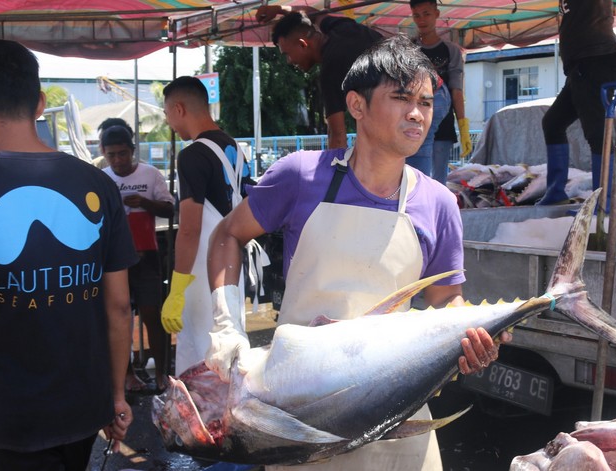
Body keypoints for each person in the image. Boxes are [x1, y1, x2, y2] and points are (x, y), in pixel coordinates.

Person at [204, 35, 507, 471]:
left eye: (425, 101)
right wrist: (225, 323)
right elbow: (227, 235)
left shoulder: (439, 202)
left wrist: (475, 340)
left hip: (398, 412)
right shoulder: (300, 176)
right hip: (298, 412)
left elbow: (447, 301)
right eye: (402, 98)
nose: (418, 114)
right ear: (357, 105)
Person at [0, 39, 137, 471]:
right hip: (84, 405)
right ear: (40, 103)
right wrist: (116, 396)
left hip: (8, 418)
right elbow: (118, 308)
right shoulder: (98, 187)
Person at [159, 76, 247, 374]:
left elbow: (189, 228)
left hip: (201, 266)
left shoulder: (192, 155)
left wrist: (177, 287)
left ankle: (199, 418)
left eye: (166, 113)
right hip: (233, 261)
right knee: (229, 342)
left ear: (179, 109)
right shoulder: (234, 147)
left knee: (199, 350)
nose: (169, 121)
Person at [101, 125, 174, 392]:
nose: (118, 160)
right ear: (103, 153)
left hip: (147, 256)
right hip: (113, 262)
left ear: (133, 151)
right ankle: (128, 374)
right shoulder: (101, 178)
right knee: (120, 318)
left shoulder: (151, 174)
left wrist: (145, 202)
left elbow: (170, 209)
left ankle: (162, 373)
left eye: (123, 154)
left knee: (152, 315)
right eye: (112, 155)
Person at [258, 5, 383, 149]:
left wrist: (332, 170)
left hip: (394, 137)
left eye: (287, 54)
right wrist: (279, 9)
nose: (289, 61)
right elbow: (313, 13)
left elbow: (337, 137)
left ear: (303, 44)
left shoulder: (330, 70)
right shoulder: (340, 27)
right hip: (411, 106)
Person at [537, 0, 616, 205]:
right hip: (580, 65)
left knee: (597, 133)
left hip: (595, 58)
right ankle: (556, 193)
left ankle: (603, 202)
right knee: (553, 123)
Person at [409, 0, 471, 184]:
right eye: (417, 15)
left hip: (442, 125)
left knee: (438, 183)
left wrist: (463, 125)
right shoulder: (408, 50)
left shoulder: (450, 50)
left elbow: (456, 90)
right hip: (415, 125)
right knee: (416, 180)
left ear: (436, 14)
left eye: (426, 13)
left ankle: (437, 213)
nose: (422, 20)